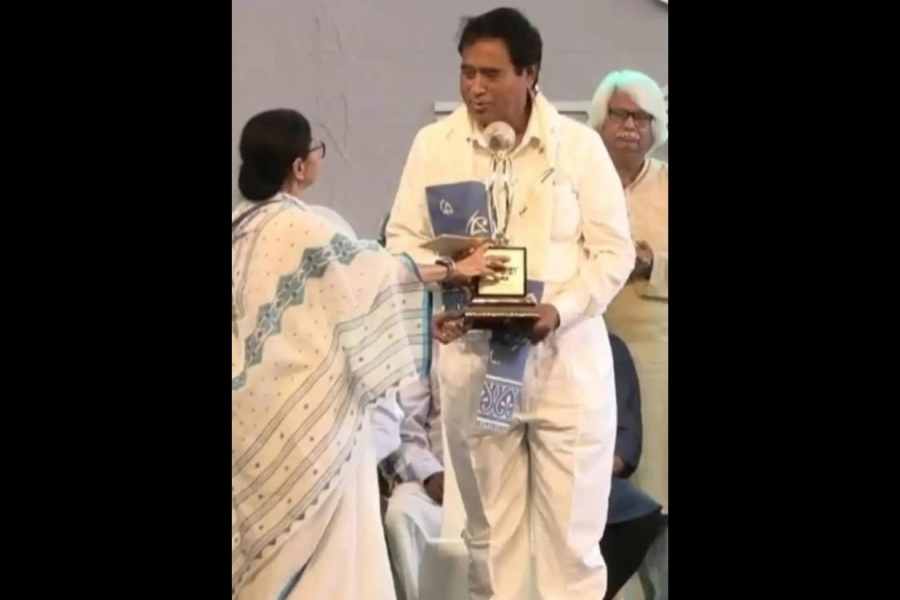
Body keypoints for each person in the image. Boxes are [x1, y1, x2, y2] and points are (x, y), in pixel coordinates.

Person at [385, 8, 635, 599]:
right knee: (490, 545)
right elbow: (401, 240)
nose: (475, 87)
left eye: (491, 74)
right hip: (477, 363)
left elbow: (613, 253)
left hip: (564, 368)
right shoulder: (434, 146)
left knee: (571, 550)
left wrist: (560, 311)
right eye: (467, 73)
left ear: (530, 74)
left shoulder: (577, 148)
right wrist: (450, 283)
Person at [230, 109, 502, 600]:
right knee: (328, 560)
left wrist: (422, 321)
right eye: (316, 150)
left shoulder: (239, 228)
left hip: (249, 416)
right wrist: (455, 268)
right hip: (311, 421)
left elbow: (331, 311)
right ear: (298, 166)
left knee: (262, 556)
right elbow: (376, 271)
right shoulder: (304, 229)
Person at [589, 69, 669, 510]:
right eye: (621, 114)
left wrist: (651, 263)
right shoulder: (575, 182)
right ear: (601, 119)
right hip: (586, 349)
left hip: (656, 354)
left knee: (655, 484)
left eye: (643, 118)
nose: (631, 127)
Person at [601, 335, 668, 600]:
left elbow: (625, 448)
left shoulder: (610, 348)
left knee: (643, 514)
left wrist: (589, 470)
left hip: (587, 481)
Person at [381, 375, 444, 600]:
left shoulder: (515, 344)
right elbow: (405, 430)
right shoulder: (430, 344)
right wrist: (429, 473)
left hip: (500, 487)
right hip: (441, 486)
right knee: (401, 513)